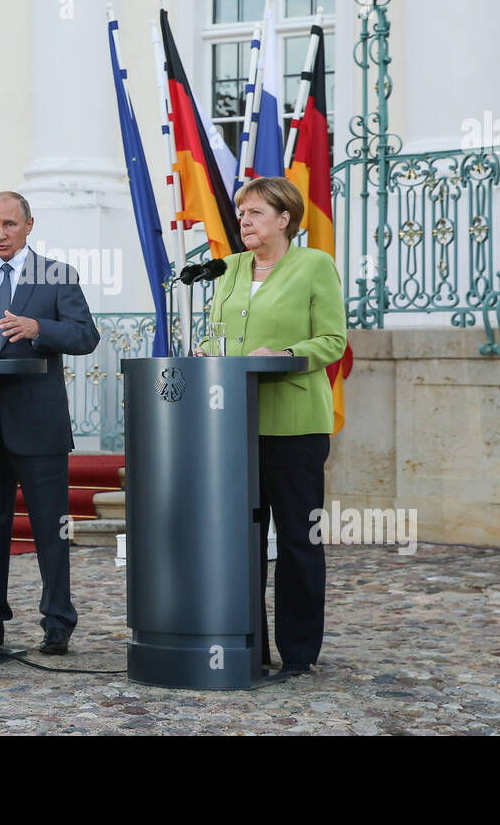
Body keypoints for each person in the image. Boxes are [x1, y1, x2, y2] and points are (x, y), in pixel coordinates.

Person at [0, 191, 100, 655]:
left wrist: (39, 329)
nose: (0, 234)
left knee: (51, 527)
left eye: (9, 224)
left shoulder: (57, 276)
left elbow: (86, 335)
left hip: (38, 422)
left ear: (29, 225)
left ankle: (57, 622)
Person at [201, 177, 346, 672]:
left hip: (294, 427)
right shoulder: (231, 268)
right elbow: (219, 331)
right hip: (233, 428)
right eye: (241, 213)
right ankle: (248, 649)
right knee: (239, 542)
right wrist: (209, 352)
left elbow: (331, 340)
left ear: (285, 219)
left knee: (297, 543)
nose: (244, 220)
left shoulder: (314, 265)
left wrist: (285, 353)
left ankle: (299, 655)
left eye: (255, 212)